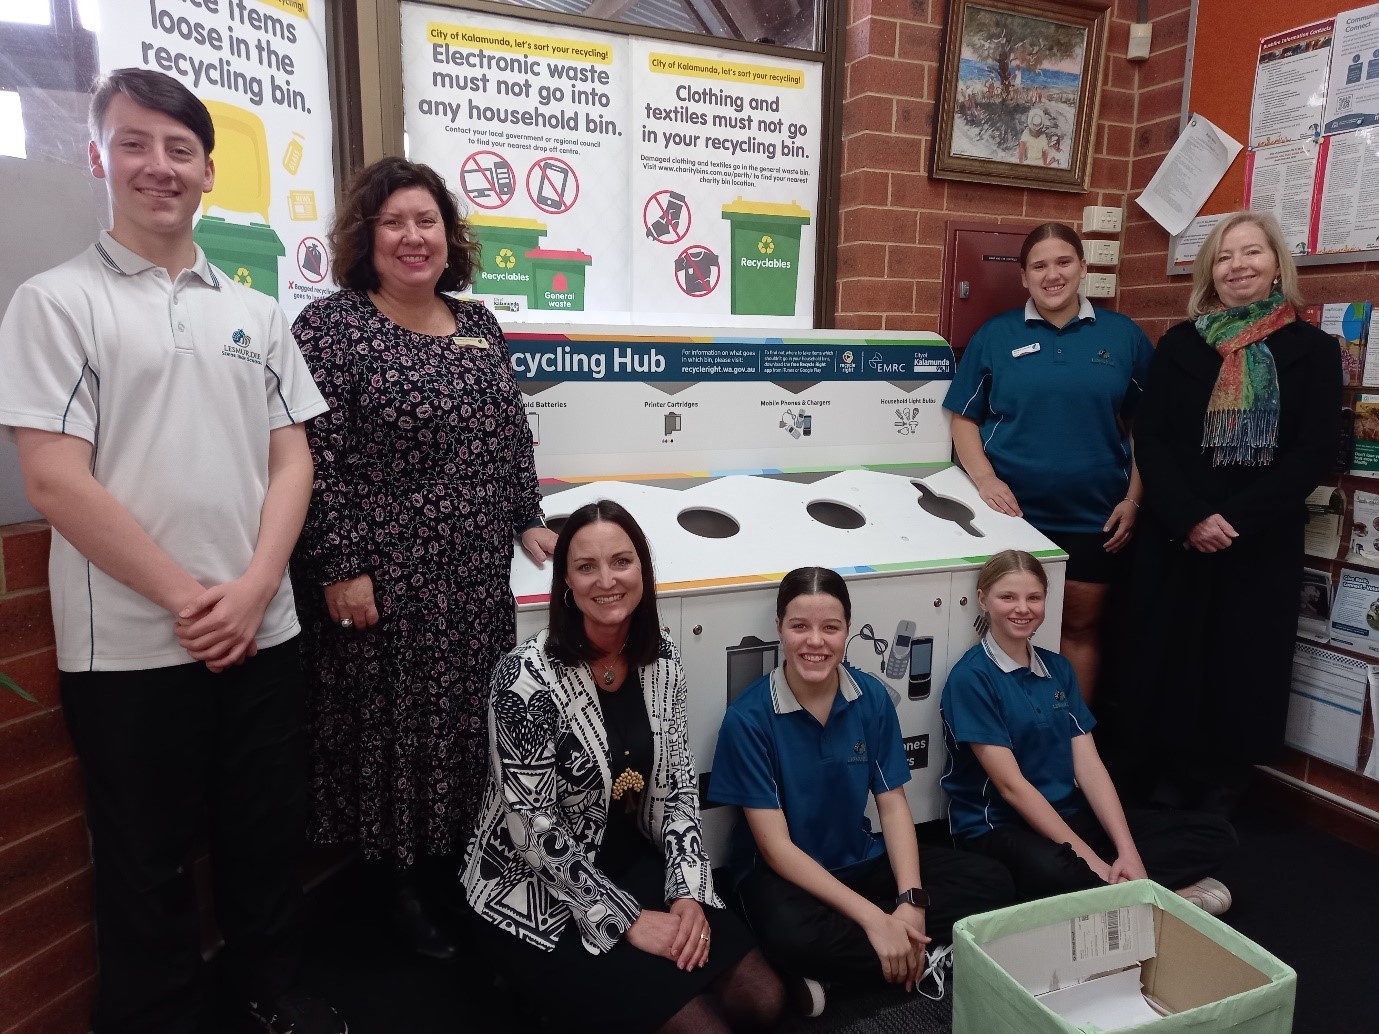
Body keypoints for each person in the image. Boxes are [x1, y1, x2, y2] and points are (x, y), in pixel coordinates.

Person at [0, 69, 344, 1033]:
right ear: (99, 156)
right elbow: (55, 481)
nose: (159, 166)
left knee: (262, 838)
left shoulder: (255, 311)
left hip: (263, 630)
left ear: (207, 171)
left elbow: (292, 460)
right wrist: (194, 600)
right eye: (136, 143)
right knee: (145, 862)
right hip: (131, 650)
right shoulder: (56, 302)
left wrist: (255, 589)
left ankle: (271, 992)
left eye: (179, 148)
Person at [289, 156, 557, 957]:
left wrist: (528, 519)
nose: (413, 237)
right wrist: (340, 566)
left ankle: (451, 869)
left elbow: (508, 438)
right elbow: (314, 456)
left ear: (449, 235)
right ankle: (390, 888)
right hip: (382, 582)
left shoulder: (478, 326)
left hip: (472, 578)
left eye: (427, 221)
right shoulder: (331, 328)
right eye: (394, 223)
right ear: (366, 237)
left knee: (463, 728)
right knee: (387, 735)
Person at [462, 501, 783, 1033]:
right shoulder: (523, 679)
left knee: (763, 999)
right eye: (587, 567)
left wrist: (685, 891)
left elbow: (679, 791)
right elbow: (533, 831)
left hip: (628, 855)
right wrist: (626, 919)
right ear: (565, 580)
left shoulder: (663, 659)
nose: (606, 580)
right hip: (532, 883)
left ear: (642, 571)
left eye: (621, 562)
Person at [709, 567, 1016, 1018]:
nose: (815, 641)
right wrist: (876, 918)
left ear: (848, 631)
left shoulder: (871, 698)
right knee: (792, 934)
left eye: (830, 627)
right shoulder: (748, 718)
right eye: (800, 626)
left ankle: (850, 966)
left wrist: (910, 903)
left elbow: (892, 808)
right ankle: (913, 951)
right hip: (783, 876)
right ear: (780, 629)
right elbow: (775, 849)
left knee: (995, 883)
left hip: (858, 856)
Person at [1122, 211, 1341, 813]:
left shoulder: (1313, 351)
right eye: (1224, 256)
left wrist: (1236, 520)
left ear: (1277, 267)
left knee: (1241, 665)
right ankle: (1154, 779)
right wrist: (1191, 516)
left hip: (1258, 542)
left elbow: (1316, 450)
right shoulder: (1179, 345)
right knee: (1166, 655)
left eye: (1252, 253)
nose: (1238, 265)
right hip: (1177, 534)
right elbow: (1153, 438)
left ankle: (1220, 789)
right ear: (1209, 272)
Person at [941, 551, 1237, 912]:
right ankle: (1154, 896)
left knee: (1216, 834)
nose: (1023, 608)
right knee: (1054, 871)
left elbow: (1089, 766)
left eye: (1034, 597)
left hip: (1066, 812)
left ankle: (1122, 888)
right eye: (1008, 597)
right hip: (999, 826)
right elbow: (1011, 788)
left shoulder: (1059, 668)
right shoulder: (970, 678)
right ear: (983, 600)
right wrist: (1090, 861)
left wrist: (1128, 852)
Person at [944, 222, 1153, 702]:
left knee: (1078, 630)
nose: (1052, 274)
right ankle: (1009, 739)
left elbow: (1147, 430)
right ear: (1023, 276)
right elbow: (963, 417)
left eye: (1063, 262)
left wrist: (1134, 500)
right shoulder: (995, 336)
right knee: (1006, 631)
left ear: (1083, 268)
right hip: (1011, 519)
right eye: (1039, 265)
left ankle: (1069, 740)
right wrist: (985, 479)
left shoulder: (1124, 338)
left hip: (1094, 518)